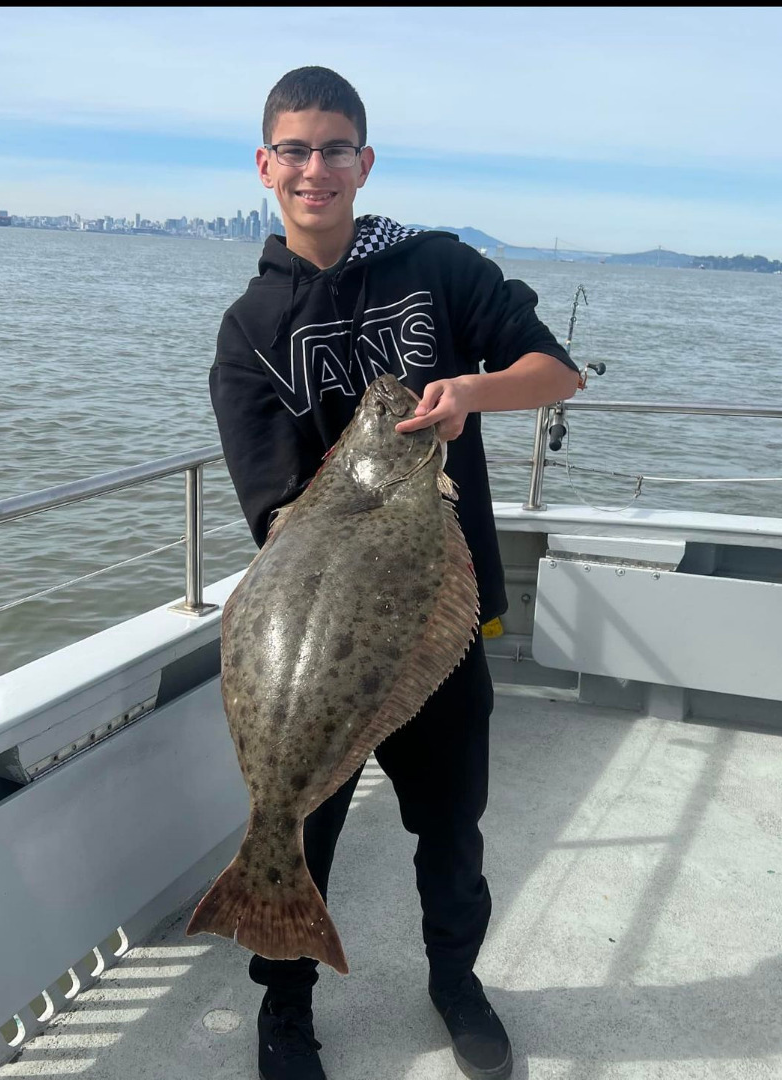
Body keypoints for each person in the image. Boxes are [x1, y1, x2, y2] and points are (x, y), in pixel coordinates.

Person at [209, 65, 579, 1080]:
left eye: (335, 148)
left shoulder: (440, 268)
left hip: (437, 626)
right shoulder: (248, 332)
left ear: (363, 162)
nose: (314, 168)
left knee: (450, 829)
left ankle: (455, 981)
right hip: (325, 641)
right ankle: (284, 1010)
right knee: (297, 828)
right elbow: (278, 519)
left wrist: (471, 390)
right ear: (265, 165)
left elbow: (557, 372)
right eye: (294, 149)